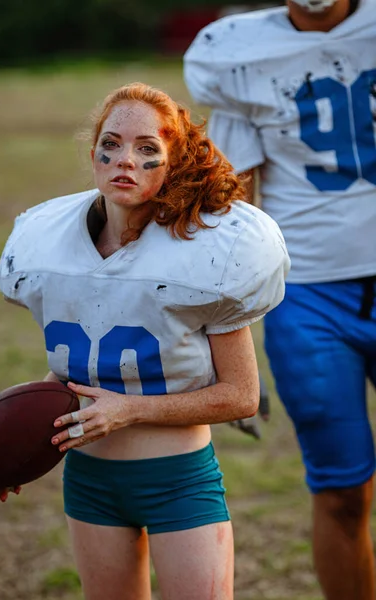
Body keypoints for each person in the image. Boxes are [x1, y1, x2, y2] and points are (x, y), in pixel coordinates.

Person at [0, 83, 289, 600]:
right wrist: (12, 447)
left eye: (148, 148)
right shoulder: (51, 246)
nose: (126, 159)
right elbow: (67, 379)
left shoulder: (206, 253)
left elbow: (240, 395)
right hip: (88, 481)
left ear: (173, 162)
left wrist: (129, 410)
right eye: (113, 142)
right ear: (94, 154)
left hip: (178, 481)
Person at [184, 1, 376, 599]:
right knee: (341, 492)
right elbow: (229, 208)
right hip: (310, 298)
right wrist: (217, 348)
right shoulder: (237, 52)